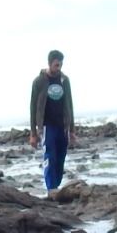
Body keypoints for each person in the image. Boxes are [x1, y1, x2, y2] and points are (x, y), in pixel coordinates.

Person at [28, 49, 75, 196]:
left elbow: (69, 103)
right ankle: (51, 189)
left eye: (60, 64)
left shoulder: (64, 80)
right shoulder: (39, 81)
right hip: (47, 125)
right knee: (50, 155)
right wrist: (33, 133)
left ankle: (56, 186)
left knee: (60, 158)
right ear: (50, 63)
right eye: (56, 65)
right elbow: (32, 107)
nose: (58, 67)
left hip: (63, 125)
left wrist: (72, 130)